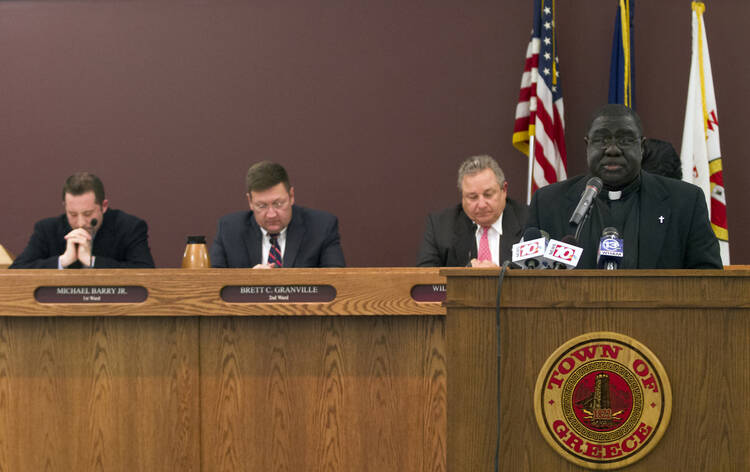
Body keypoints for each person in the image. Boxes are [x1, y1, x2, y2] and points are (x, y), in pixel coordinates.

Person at [526, 104, 722, 269]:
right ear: (587, 146)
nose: (612, 150)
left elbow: (708, 281)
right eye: (602, 139)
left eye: (625, 140)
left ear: (642, 147)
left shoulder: (685, 202)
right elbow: (528, 279)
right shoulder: (548, 203)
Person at [210, 161, 345, 268]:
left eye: (278, 204)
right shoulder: (229, 229)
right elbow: (212, 286)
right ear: (250, 202)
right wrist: (248, 281)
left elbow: (335, 284)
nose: (271, 214)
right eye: (261, 206)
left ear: (291, 196)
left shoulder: (321, 227)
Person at [10, 172, 155, 269]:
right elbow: (15, 272)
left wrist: (92, 261)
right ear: (65, 207)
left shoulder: (129, 227)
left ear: (103, 206)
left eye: (87, 213)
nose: (80, 223)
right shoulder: (46, 230)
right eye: (72, 214)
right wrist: (63, 261)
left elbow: (146, 271)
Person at [417, 155, 527, 267]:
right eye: (473, 197)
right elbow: (424, 278)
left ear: (504, 190)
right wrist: (466, 276)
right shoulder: (441, 226)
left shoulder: (528, 221)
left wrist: (500, 277)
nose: (482, 204)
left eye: (488, 195)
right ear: (463, 197)